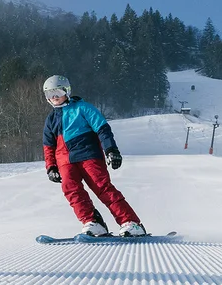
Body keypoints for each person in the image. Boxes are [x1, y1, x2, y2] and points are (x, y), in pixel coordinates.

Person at [39, 75, 147, 237]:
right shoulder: (51, 119)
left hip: (88, 155)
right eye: (49, 94)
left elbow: (102, 129)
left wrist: (111, 150)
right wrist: (51, 167)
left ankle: (130, 223)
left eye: (57, 92)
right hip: (65, 161)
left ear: (67, 91)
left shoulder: (83, 108)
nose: (54, 97)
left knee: (102, 187)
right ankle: (93, 223)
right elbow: (48, 146)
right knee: (71, 190)